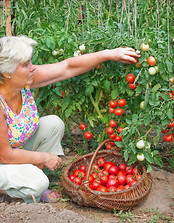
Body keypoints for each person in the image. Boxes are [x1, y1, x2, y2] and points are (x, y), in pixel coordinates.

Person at [0, 35, 140, 204]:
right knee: (38, 183)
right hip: (4, 158)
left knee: (53, 124)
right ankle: (17, 189)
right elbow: (5, 156)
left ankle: (26, 183)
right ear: (6, 72)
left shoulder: (23, 81)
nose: (32, 68)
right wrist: (44, 157)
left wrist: (107, 54)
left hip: (13, 150)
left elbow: (67, 67)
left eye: (31, 62)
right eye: (25, 64)